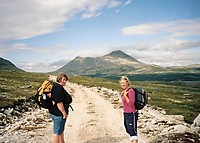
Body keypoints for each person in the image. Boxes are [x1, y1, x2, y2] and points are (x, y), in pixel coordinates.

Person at [49, 73, 72, 143]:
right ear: (59, 79)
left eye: (66, 80)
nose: (65, 81)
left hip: (54, 112)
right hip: (58, 114)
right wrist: (64, 113)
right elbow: (59, 103)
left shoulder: (56, 87)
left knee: (60, 130)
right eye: (64, 80)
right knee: (57, 133)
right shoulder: (58, 89)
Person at [119, 76, 138, 143]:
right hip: (126, 113)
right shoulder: (125, 91)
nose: (123, 84)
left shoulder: (131, 91)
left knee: (133, 132)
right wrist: (123, 95)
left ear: (127, 82)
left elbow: (131, 104)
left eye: (124, 83)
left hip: (131, 114)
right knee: (129, 131)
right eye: (121, 83)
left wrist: (125, 96)